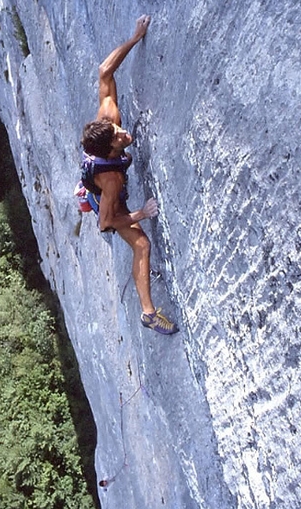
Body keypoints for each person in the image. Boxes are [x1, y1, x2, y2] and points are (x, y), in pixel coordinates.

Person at [81, 15, 178, 335]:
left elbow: (104, 71)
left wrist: (135, 37)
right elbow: (106, 224)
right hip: (105, 201)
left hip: (99, 175)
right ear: (109, 151)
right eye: (119, 140)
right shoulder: (110, 182)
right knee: (141, 244)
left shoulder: (108, 120)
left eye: (119, 130)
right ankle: (148, 314)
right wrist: (141, 213)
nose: (124, 134)